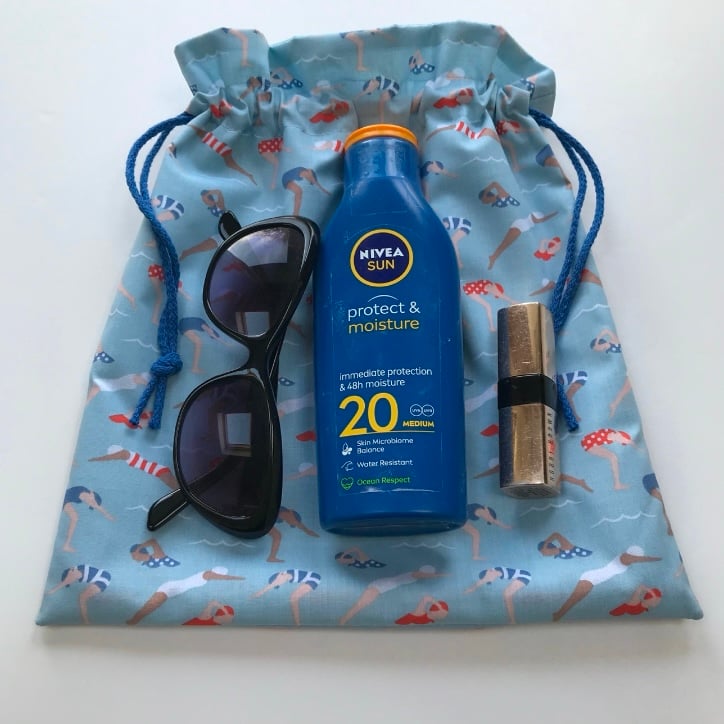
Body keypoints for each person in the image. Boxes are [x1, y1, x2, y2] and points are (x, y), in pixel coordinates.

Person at [552, 546, 661, 621]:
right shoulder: (625, 558)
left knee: (574, 599)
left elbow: (640, 559)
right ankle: (558, 615)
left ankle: (558, 614)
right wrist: (655, 558)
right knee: (573, 599)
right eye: (636, 558)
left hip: (593, 579)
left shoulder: (626, 559)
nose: (636, 560)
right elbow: (642, 559)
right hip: (591, 578)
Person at [127, 567, 244, 625]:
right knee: (151, 605)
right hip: (171, 588)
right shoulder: (207, 574)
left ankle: (134, 620)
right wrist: (237, 578)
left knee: (152, 606)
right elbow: (222, 577)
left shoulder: (206, 575)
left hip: (174, 589)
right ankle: (134, 620)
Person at [339, 566, 445, 625]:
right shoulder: (415, 574)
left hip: (381, 587)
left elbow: (427, 575)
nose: (425, 577)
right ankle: (342, 621)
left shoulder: (414, 574)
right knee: (359, 605)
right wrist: (441, 575)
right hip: (380, 586)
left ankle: (343, 621)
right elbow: (428, 575)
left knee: (360, 605)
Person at [488, 210, 558, 270]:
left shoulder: (536, 217)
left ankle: (493, 257)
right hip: (520, 226)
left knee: (505, 244)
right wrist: (554, 213)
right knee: (505, 244)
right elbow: (543, 219)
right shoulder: (537, 216)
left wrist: (553, 214)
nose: (540, 221)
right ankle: (493, 257)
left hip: (520, 226)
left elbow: (543, 219)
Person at [88, 445, 178, 490]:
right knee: (177, 487)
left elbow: (110, 457)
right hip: (157, 471)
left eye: (115, 455)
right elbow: (112, 457)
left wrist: (96, 459)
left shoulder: (125, 454)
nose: (116, 458)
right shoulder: (126, 456)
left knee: (177, 488)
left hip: (158, 470)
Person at [188, 124, 256, 184]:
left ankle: (248, 175)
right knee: (230, 163)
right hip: (219, 146)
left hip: (220, 147)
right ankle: (248, 175)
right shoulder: (207, 137)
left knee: (230, 163)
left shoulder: (207, 136)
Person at [251, 569, 321, 626]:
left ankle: (297, 624)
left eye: (278, 583)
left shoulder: (282, 575)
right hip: (310, 577)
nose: (279, 584)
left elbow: (273, 584)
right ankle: (297, 623)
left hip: (313, 578)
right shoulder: (284, 574)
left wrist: (259, 592)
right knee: (296, 596)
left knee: (293, 598)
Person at [47, 564, 111, 625]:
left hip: (102, 577)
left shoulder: (73, 572)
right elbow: (66, 582)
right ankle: (86, 621)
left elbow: (63, 583)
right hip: (103, 576)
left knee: (82, 597)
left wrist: (51, 591)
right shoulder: (77, 571)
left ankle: (86, 622)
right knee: (84, 597)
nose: (71, 582)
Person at [464, 566, 531, 624]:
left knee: (506, 594)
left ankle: (512, 621)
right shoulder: (494, 572)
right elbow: (485, 579)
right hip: (523, 576)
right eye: (489, 581)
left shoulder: (494, 571)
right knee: (507, 595)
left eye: (489, 579)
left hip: (524, 576)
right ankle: (512, 620)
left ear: (488, 573)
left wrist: (472, 588)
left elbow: (482, 580)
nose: (491, 580)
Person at [61, 486, 114, 553]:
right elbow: (93, 502)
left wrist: (107, 514)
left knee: (75, 517)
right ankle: (66, 545)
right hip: (62, 498)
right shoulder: (82, 493)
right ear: (91, 494)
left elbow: (97, 506)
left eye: (90, 505)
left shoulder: (86, 494)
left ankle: (66, 544)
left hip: (65, 499)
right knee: (75, 518)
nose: (89, 504)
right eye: (91, 502)